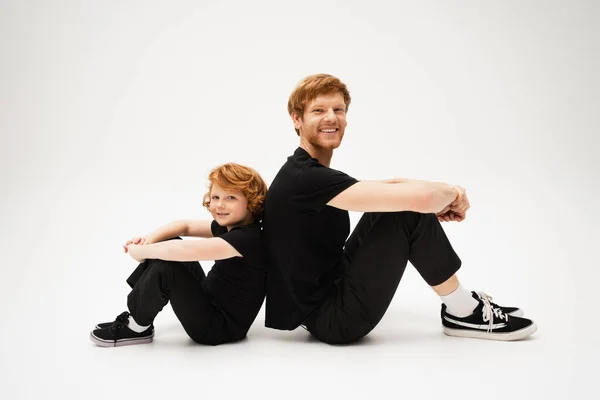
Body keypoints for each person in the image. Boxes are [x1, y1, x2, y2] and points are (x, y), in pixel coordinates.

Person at [263, 73, 537, 344]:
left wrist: (438, 194)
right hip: (334, 320)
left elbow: (389, 186)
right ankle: (463, 311)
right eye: (319, 110)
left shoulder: (305, 172)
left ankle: (463, 306)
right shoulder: (306, 177)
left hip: (327, 293)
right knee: (406, 211)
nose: (332, 118)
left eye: (339, 110)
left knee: (395, 203)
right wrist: (451, 194)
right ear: (297, 119)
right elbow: (419, 199)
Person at [90, 163, 268, 347]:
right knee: (170, 242)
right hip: (210, 298)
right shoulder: (232, 227)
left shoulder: (247, 239)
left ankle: (137, 327)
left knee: (169, 266)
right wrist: (146, 242)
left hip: (218, 328)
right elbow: (185, 226)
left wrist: (141, 252)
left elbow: (185, 251)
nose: (220, 205)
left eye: (230, 197)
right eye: (216, 197)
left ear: (252, 201)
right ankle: (139, 313)